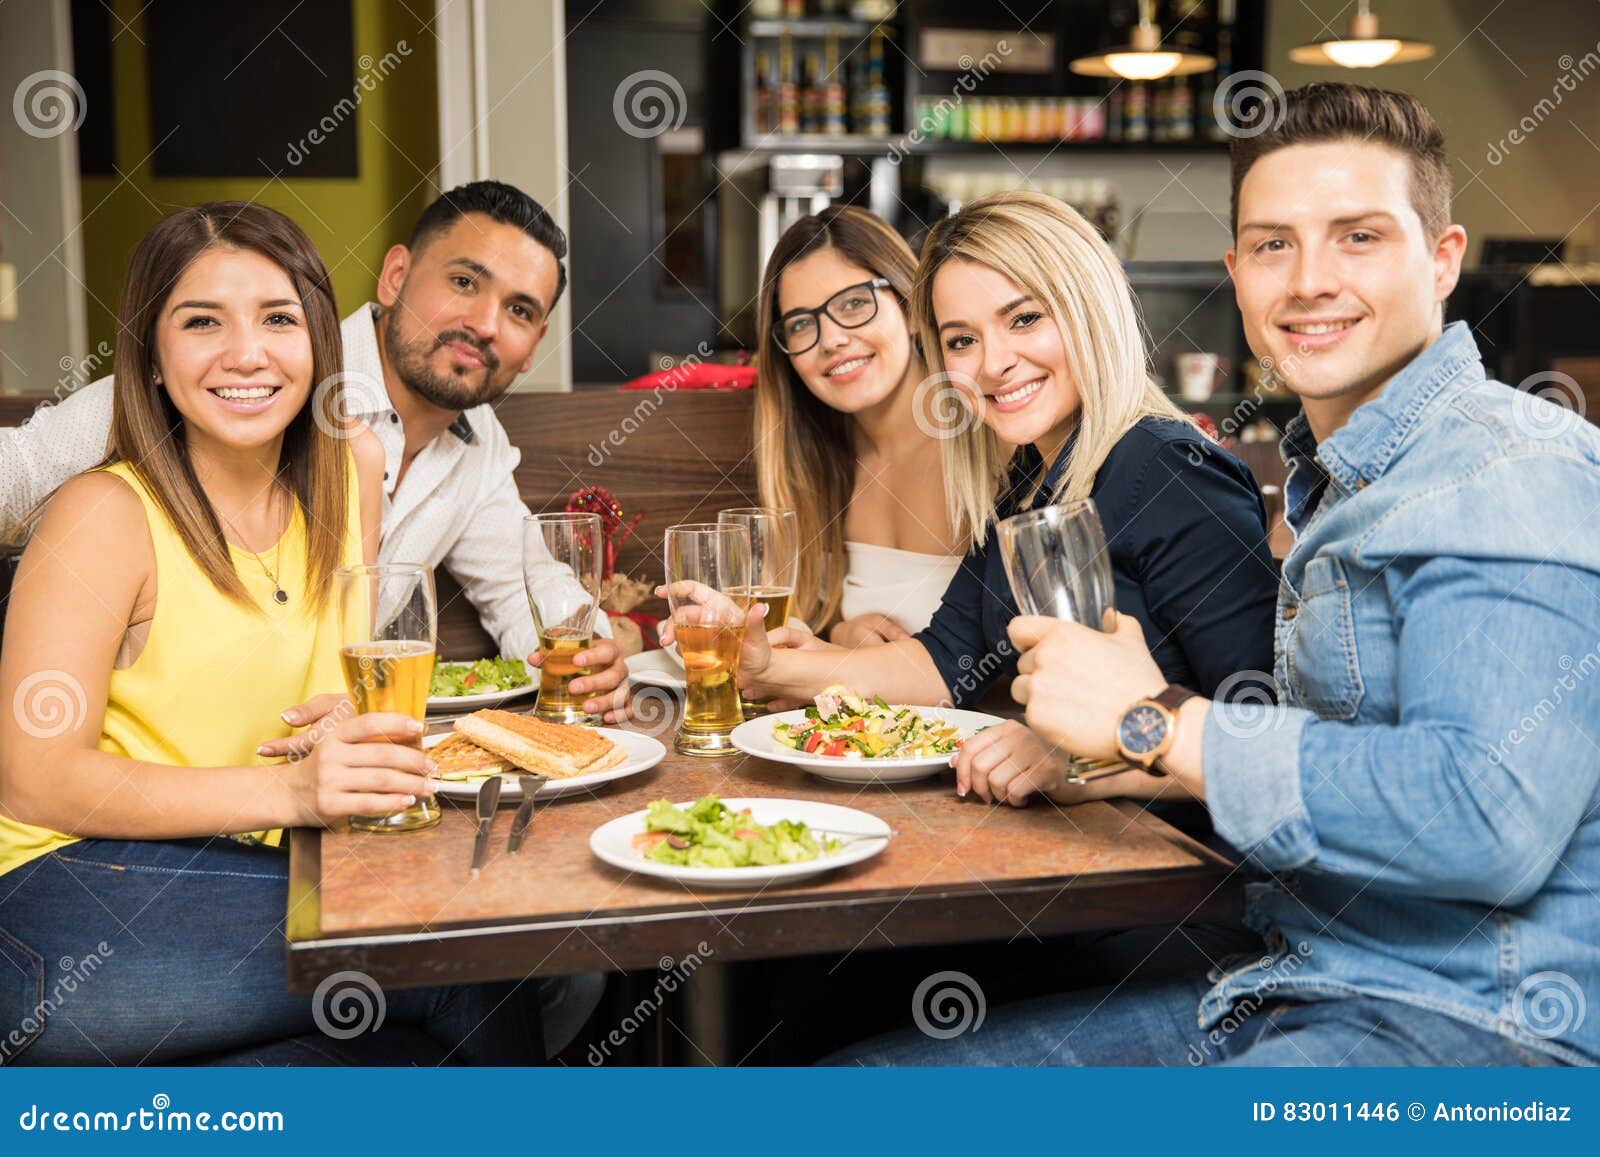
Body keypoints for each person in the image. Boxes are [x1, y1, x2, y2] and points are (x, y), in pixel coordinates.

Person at [837, 84, 1600, 1067]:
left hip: (1471, 1031)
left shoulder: (1507, 464)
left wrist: (1150, 721)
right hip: (1293, 978)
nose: (1309, 280)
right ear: (1237, 276)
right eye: (1274, 245)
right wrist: (1100, 762)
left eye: (1358, 236)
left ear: (1441, 258)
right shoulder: (1342, 485)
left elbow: (1485, 818)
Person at [0, 203, 545, 1065]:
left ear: (319, 346)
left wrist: (336, 735)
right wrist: (289, 795)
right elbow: (34, 781)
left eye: (279, 319)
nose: (246, 353)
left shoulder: (351, 473)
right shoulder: (102, 514)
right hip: (60, 905)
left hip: (244, 878)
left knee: (380, 1062)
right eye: (202, 321)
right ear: (150, 354)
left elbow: (322, 692)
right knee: (466, 959)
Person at [0, 180, 630, 728]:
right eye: (463, 281)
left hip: (316, 764)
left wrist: (592, 656)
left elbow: (525, 586)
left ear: (535, 342)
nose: (486, 323)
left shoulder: (477, 442)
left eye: (518, 310)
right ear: (396, 275)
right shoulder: (245, 382)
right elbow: (17, 474)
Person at [724, 191, 1277, 806]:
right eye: (962, 341)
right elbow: (938, 662)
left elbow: (1263, 738)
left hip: (1181, 875)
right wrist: (769, 666)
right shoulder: (1028, 479)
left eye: (1023, 320)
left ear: (1087, 308)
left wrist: (1083, 765)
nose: (993, 365)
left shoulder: (1172, 469)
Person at [755, 207, 964, 645]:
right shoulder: (816, 467)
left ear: (910, 308)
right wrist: (839, 638)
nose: (830, 339)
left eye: (853, 303)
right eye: (800, 324)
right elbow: (800, 624)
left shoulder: (990, 440)